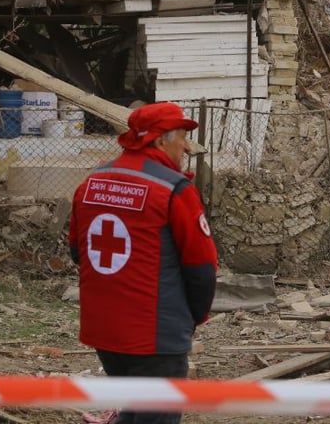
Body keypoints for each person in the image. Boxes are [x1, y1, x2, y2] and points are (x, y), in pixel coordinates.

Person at [69, 102, 218, 424]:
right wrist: (192, 318)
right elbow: (202, 269)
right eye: (182, 137)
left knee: (133, 410)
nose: (188, 146)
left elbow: (77, 252)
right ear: (161, 140)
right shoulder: (174, 190)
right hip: (156, 337)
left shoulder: (92, 181)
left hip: (105, 333)